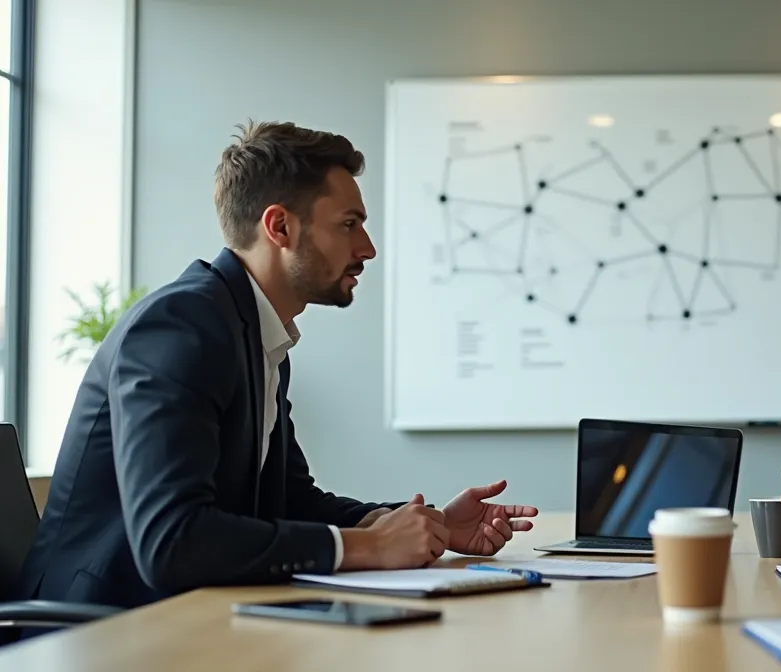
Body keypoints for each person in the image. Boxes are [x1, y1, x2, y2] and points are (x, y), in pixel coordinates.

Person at [13, 121, 538, 613]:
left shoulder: (255, 333)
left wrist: (429, 525)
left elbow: (289, 500)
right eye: (349, 225)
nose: (368, 248)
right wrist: (370, 546)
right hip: (95, 630)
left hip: (182, 616)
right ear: (280, 226)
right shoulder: (181, 327)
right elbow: (172, 541)